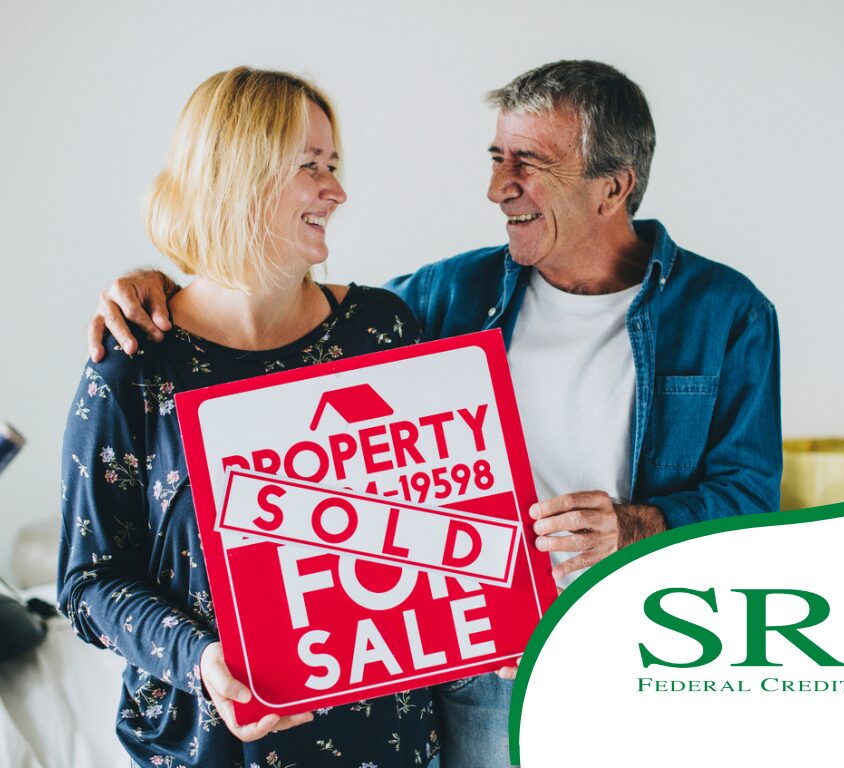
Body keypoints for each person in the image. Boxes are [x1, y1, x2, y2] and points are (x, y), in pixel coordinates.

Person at [86, 60, 782, 767]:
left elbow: (752, 497)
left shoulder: (727, 313)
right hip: (484, 673)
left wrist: (635, 525)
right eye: (497, 157)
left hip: (645, 648)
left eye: (530, 163)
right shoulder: (441, 300)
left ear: (613, 186)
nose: (497, 187)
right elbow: (266, 314)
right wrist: (156, 286)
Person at [59, 67, 441, 768]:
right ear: (238, 177)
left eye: (334, 166)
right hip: (208, 749)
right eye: (310, 166)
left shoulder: (382, 331)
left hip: (384, 745)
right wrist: (200, 657)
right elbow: (88, 586)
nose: (336, 191)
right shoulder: (133, 365)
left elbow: (436, 516)